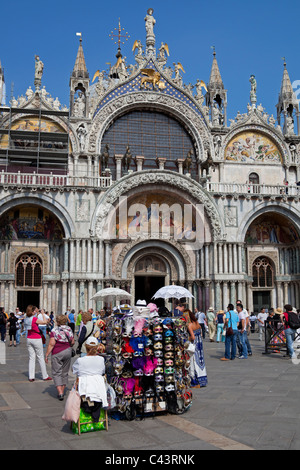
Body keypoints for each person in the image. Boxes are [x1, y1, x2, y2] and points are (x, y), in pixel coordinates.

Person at [72, 336, 108, 421]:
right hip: (98, 387)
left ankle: (87, 409)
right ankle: (96, 414)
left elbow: (74, 370)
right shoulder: (101, 359)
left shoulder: (80, 360)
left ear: (85, 347)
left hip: (85, 388)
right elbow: (102, 371)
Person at [45, 314, 75, 400]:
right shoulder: (69, 329)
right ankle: (62, 389)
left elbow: (51, 344)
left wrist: (47, 354)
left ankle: (60, 392)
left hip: (57, 352)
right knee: (65, 372)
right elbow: (72, 341)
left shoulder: (54, 330)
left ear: (57, 321)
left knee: (56, 372)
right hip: (68, 351)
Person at [23, 305, 52, 382]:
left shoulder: (26, 319)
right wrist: (42, 314)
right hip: (36, 338)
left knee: (31, 358)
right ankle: (45, 376)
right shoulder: (34, 319)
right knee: (40, 357)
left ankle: (31, 376)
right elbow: (45, 322)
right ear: (32, 312)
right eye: (35, 311)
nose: (36, 312)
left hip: (29, 338)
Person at [187, 310, 207, 387]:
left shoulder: (190, 325)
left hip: (194, 344)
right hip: (200, 344)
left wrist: (187, 339)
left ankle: (195, 380)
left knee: (193, 361)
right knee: (201, 361)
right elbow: (200, 332)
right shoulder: (197, 323)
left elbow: (193, 337)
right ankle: (203, 379)